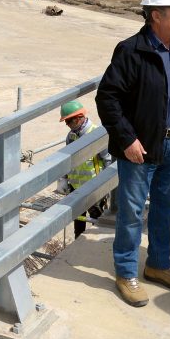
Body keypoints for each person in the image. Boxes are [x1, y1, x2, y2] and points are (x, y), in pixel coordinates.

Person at [95, 0, 170, 307]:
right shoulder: (131, 51)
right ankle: (126, 272)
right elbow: (107, 98)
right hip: (140, 148)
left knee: (166, 208)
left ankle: (158, 264)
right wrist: (127, 139)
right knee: (132, 213)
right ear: (156, 15)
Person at [58, 100, 112, 237]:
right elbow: (67, 160)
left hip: (93, 187)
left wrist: (106, 186)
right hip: (76, 188)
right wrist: (63, 179)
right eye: (66, 122)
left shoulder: (96, 134)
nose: (67, 124)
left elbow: (107, 160)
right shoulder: (71, 136)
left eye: (69, 121)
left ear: (79, 117)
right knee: (78, 222)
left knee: (96, 222)